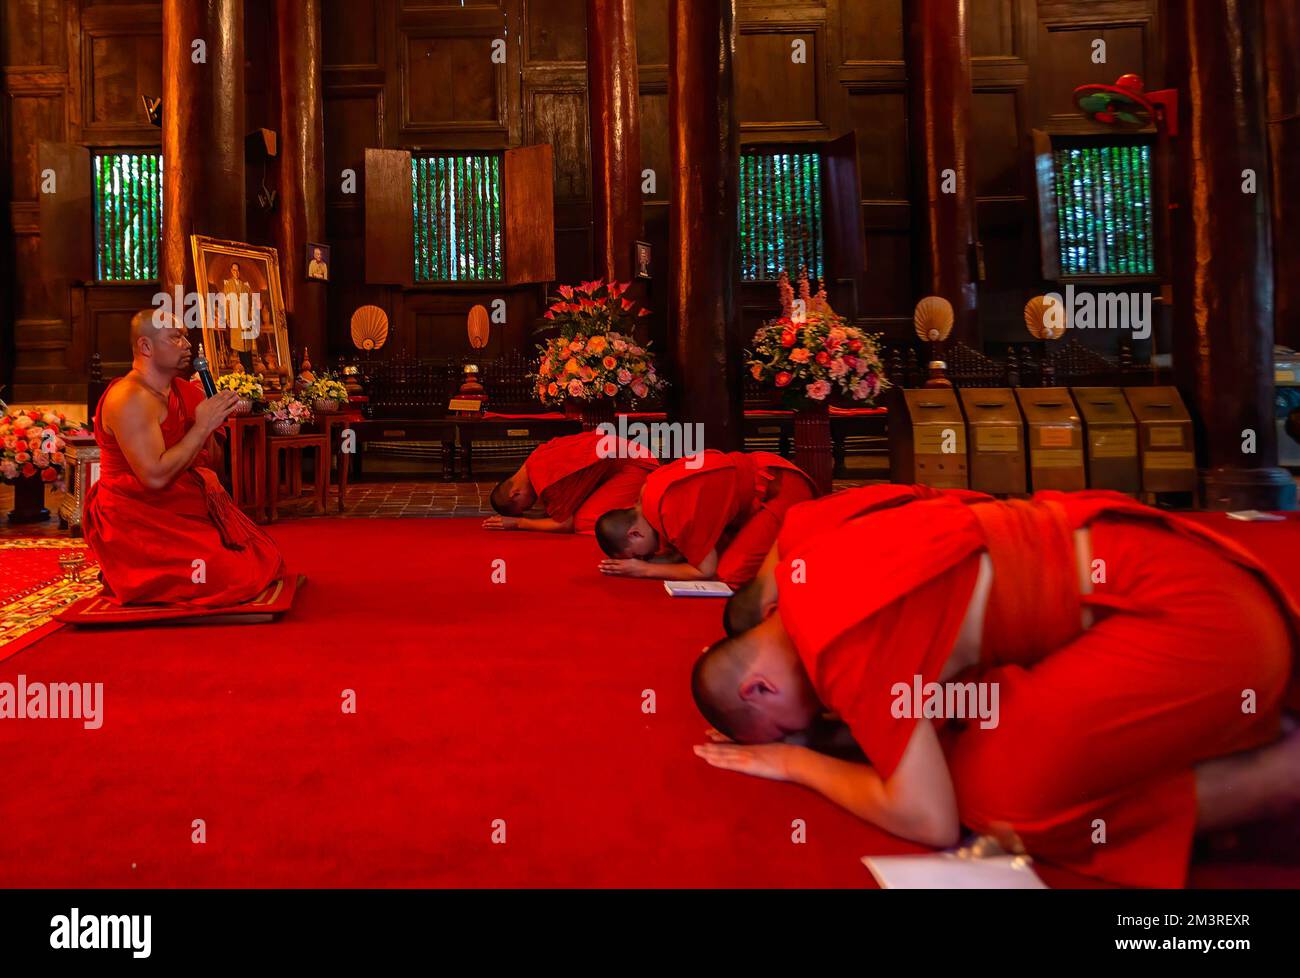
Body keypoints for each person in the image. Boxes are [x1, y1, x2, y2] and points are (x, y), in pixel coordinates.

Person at [691, 489, 1300, 886]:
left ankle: (1277, 774)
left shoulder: (834, 643)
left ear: (759, 689)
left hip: (1195, 623)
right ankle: (1224, 736)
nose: (819, 724)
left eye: (794, 725)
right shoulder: (813, 560)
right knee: (971, 732)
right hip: (1178, 573)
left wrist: (799, 763)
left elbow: (928, 819)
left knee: (995, 799)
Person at [83, 310, 285, 607]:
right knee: (234, 576)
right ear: (146, 347)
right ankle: (131, 568)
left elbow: (206, 461)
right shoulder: (129, 397)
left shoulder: (184, 391)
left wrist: (212, 427)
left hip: (180, 502)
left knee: (263, 556)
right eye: (175, 337)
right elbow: (153, 477)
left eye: (185, 337)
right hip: (137, 512)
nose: (187, 344)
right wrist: (202, 425)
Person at [595, 450, 817, 587]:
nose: (649, 556)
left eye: (640, 555)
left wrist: (643, 570)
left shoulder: (669, 510)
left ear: (634, 533)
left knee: (729, 576)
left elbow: (705, 570)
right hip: (763, 470)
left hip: (780, 491)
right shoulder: (648, 490)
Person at [484, 431, 658, 534]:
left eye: (525, 508)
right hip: (625, 457)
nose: (531, 507)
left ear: (514, 493)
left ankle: (650, 520)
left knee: (585, 521)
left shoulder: (542, 477)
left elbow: (564, 523)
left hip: (635, 464)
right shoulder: (535, 458)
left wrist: (519, 523)